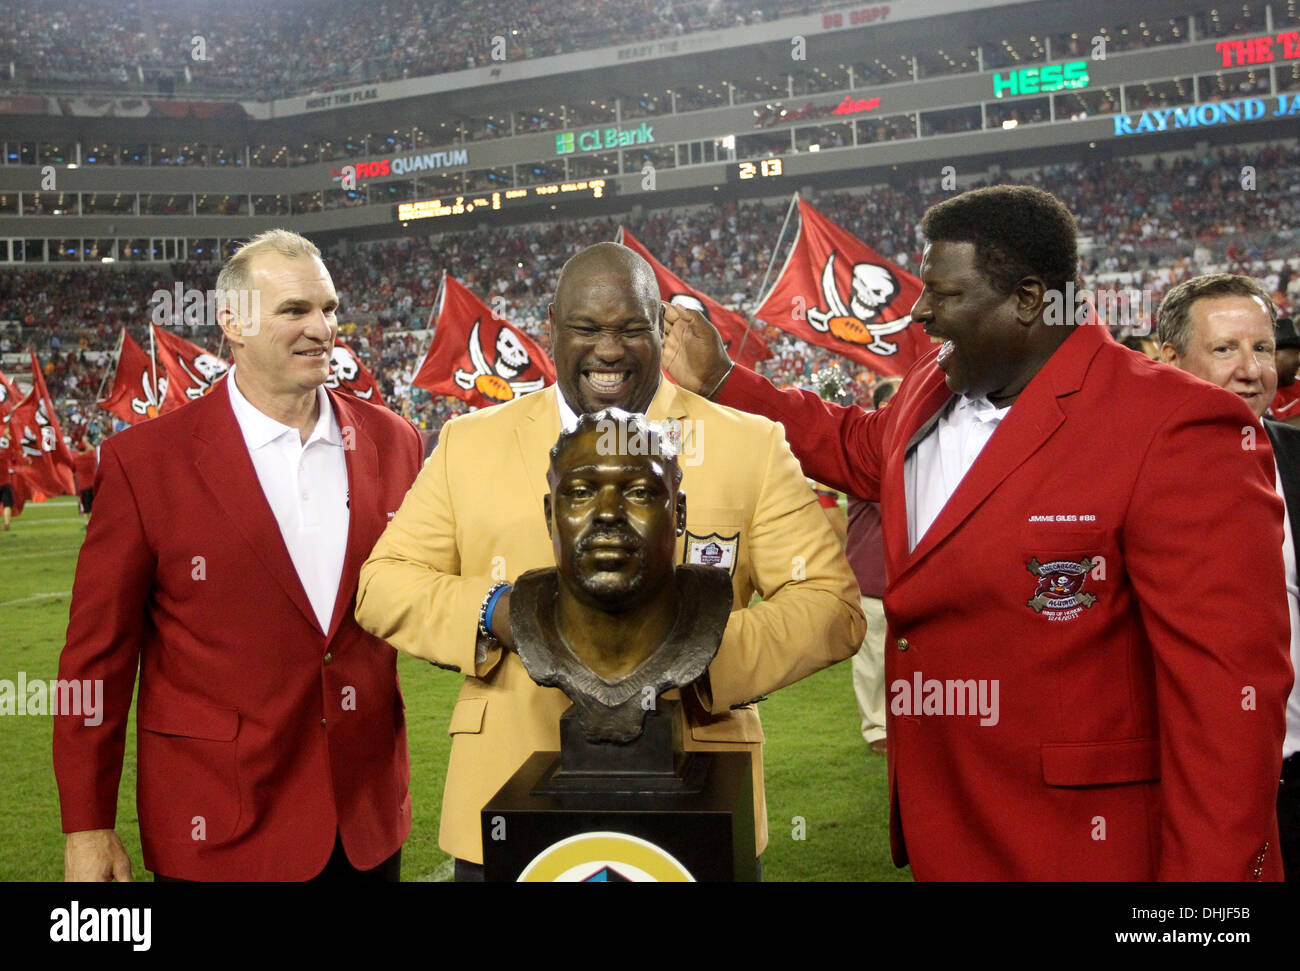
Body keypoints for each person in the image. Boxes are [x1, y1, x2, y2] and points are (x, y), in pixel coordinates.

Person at [662, 185, 1292, 881]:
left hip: (1090, 850)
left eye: (944, 294)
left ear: (1027, 300)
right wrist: (722, 377)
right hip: (949, 832)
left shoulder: (1174, 424)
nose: (922, 313)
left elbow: (1229, 709)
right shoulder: (935, 386)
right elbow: (852, 443)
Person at [355, 242, 863, 881]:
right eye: (588, 329)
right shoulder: (469, 443)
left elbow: (831, 607)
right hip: (502, 806)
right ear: (551, 330)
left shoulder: (747, 444)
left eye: (631, 329)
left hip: (698, 797)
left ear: (661, 329)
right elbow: (383, 586)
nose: (610, 349)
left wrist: (700, 655)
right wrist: (500, 614)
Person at [53, 229, 424, 882]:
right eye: (295, 310)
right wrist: (87, 825)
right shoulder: (146, 464)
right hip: (219, 830)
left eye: (330, 308)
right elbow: (95, 659)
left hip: (365, 824)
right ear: (233, 323)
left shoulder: (394, 442)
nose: (322, 327)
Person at [1157, 273, 1300, 882]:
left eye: (1262, 348)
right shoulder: (1115, 473)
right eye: (1224, 349)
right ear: (1167, 360)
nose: (1250, 370)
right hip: (1181, 790)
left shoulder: (1296, 459)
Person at [849, 378, 898, 757]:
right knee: (873, 661)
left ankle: (899, 722)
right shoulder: (870, 452)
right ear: (879, 407)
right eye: (893, 404)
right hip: (872, 575)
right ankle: (876, 726)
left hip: (902, 577)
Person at [73, 434, 97, 528]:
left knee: (85, 507)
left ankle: (87, 523)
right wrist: (86, 441)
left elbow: (72, 469)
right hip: (93, 484)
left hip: (83, 486)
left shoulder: (76, 460)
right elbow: (93, 450)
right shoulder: (91, 457)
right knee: (94, 506)